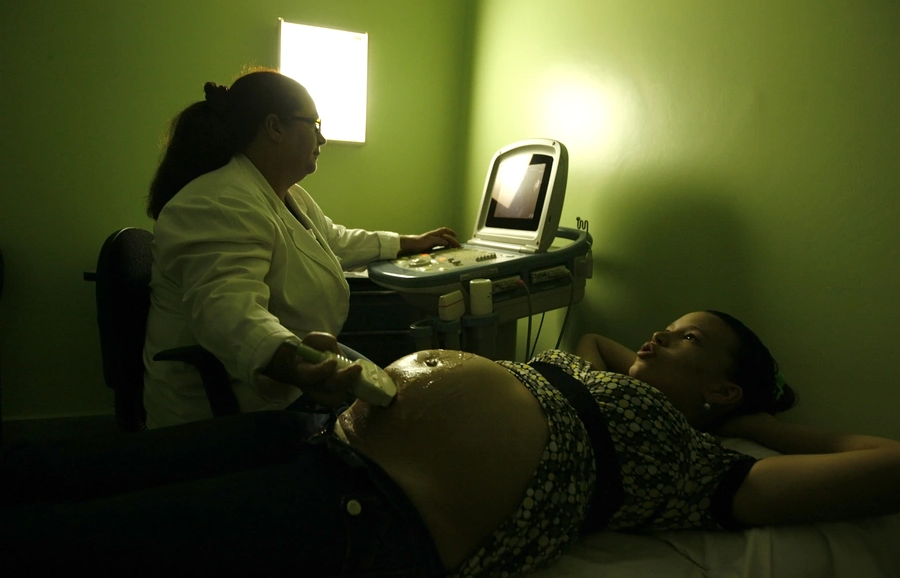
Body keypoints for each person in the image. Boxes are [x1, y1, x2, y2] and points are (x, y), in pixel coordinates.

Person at [2, 311, 899, 577]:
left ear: (726, 390)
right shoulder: (600, 371)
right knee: (56, 466)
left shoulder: (702, 470)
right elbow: (595, 347)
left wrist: (753, 426)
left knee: (61, 542)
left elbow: (887, 460)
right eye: (660, 328)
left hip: (367, 510)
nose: (655, 340)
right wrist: (665, 367)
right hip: (317, 433)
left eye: (687, 340)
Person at [142, 68, 459, 428]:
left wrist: (407, 243)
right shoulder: (219, 203)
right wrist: (293, 362)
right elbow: (228, 310)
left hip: (286, 385)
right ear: (275, 127)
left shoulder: (288, 196)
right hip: (228, 409)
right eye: (314, 123)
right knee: (398, 427)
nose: (321, 138)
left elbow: (335, 241)